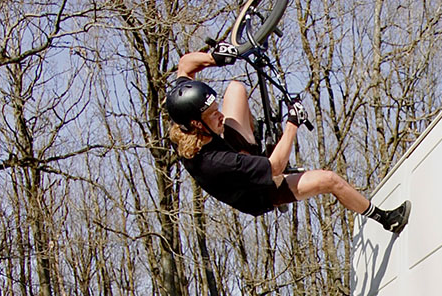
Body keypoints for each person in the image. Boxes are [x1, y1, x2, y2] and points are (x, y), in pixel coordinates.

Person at [166, 47, 410, 233]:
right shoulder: (216, 163)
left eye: (217, 109)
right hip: (259, 191)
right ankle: (385, 219)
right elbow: (275, 168)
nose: (220, 115)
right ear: (197, 124)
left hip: (236, 152)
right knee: (329, 180)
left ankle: (255, 144)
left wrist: (217, 57)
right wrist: (292, 122)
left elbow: (185, 63)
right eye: (213, 115)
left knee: (236, 88)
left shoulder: (183, 111)